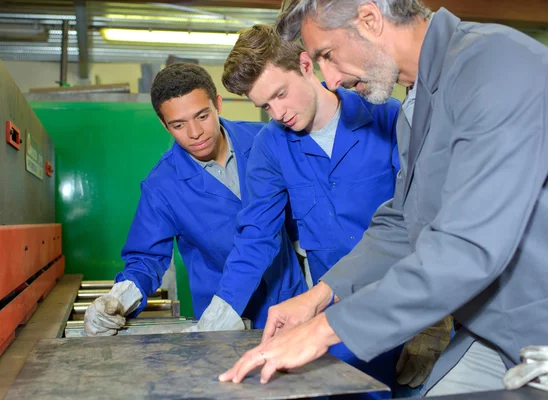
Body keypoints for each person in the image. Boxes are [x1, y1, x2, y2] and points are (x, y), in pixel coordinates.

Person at [219, 0, 548, 397]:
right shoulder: (418, 101)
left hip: (533, 325)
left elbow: (467, 247)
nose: (332, 79)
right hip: (492, 328)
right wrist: (319, 297)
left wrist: (327, 329)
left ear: (370, 19)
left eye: (328, 55)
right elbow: (401, 220)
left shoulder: (495, 66)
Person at [217, 24, 429, 396]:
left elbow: (423, 219)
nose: (278, 112)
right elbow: (256, 236)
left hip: (405, 309)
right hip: (335, 324)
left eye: (280, 94)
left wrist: (433, 320)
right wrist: (223, 310)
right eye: (265, 106)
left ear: (304, 64)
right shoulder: (270, 147)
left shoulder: (388, 117)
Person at [83, 62, 307, 336]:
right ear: (164, 125)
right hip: (221, 322)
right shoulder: (161, 186)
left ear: (218, 104)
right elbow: (146, 258)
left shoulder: (264, 139)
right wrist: (118, 299)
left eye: (202, 116)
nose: (194, 133)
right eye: (178, 124)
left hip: (291, 301)